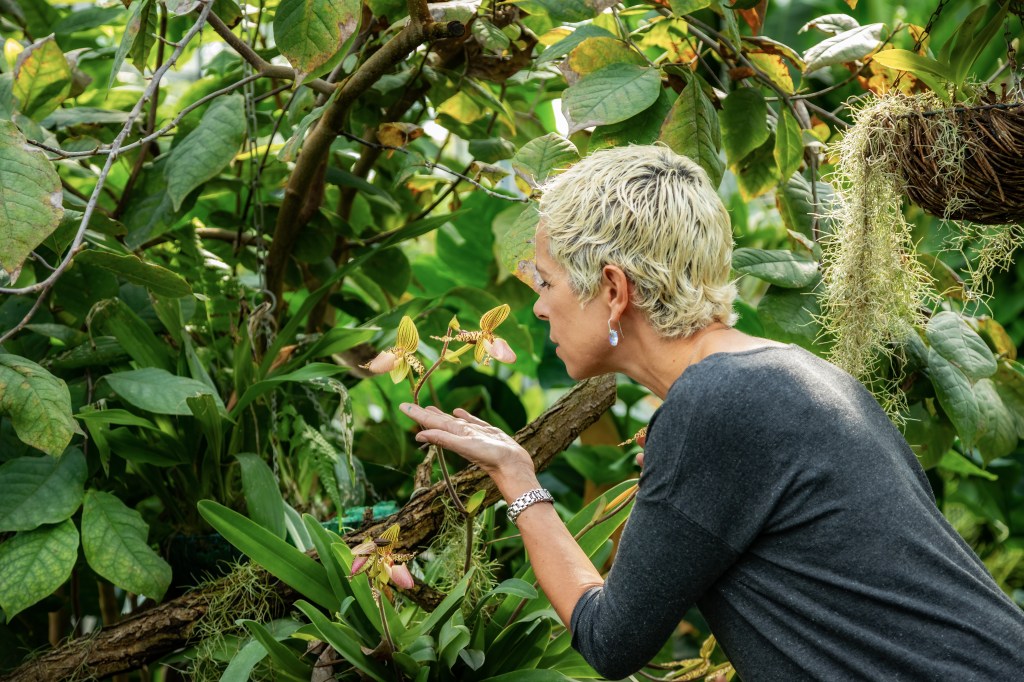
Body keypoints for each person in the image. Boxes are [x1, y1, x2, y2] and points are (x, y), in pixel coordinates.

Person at [400, 144, 1024, 680]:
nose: (538, 308)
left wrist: (518, 479)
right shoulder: (786, 374)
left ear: (614, 291)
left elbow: (610, 640)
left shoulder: (717, 404)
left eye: (546, 282)